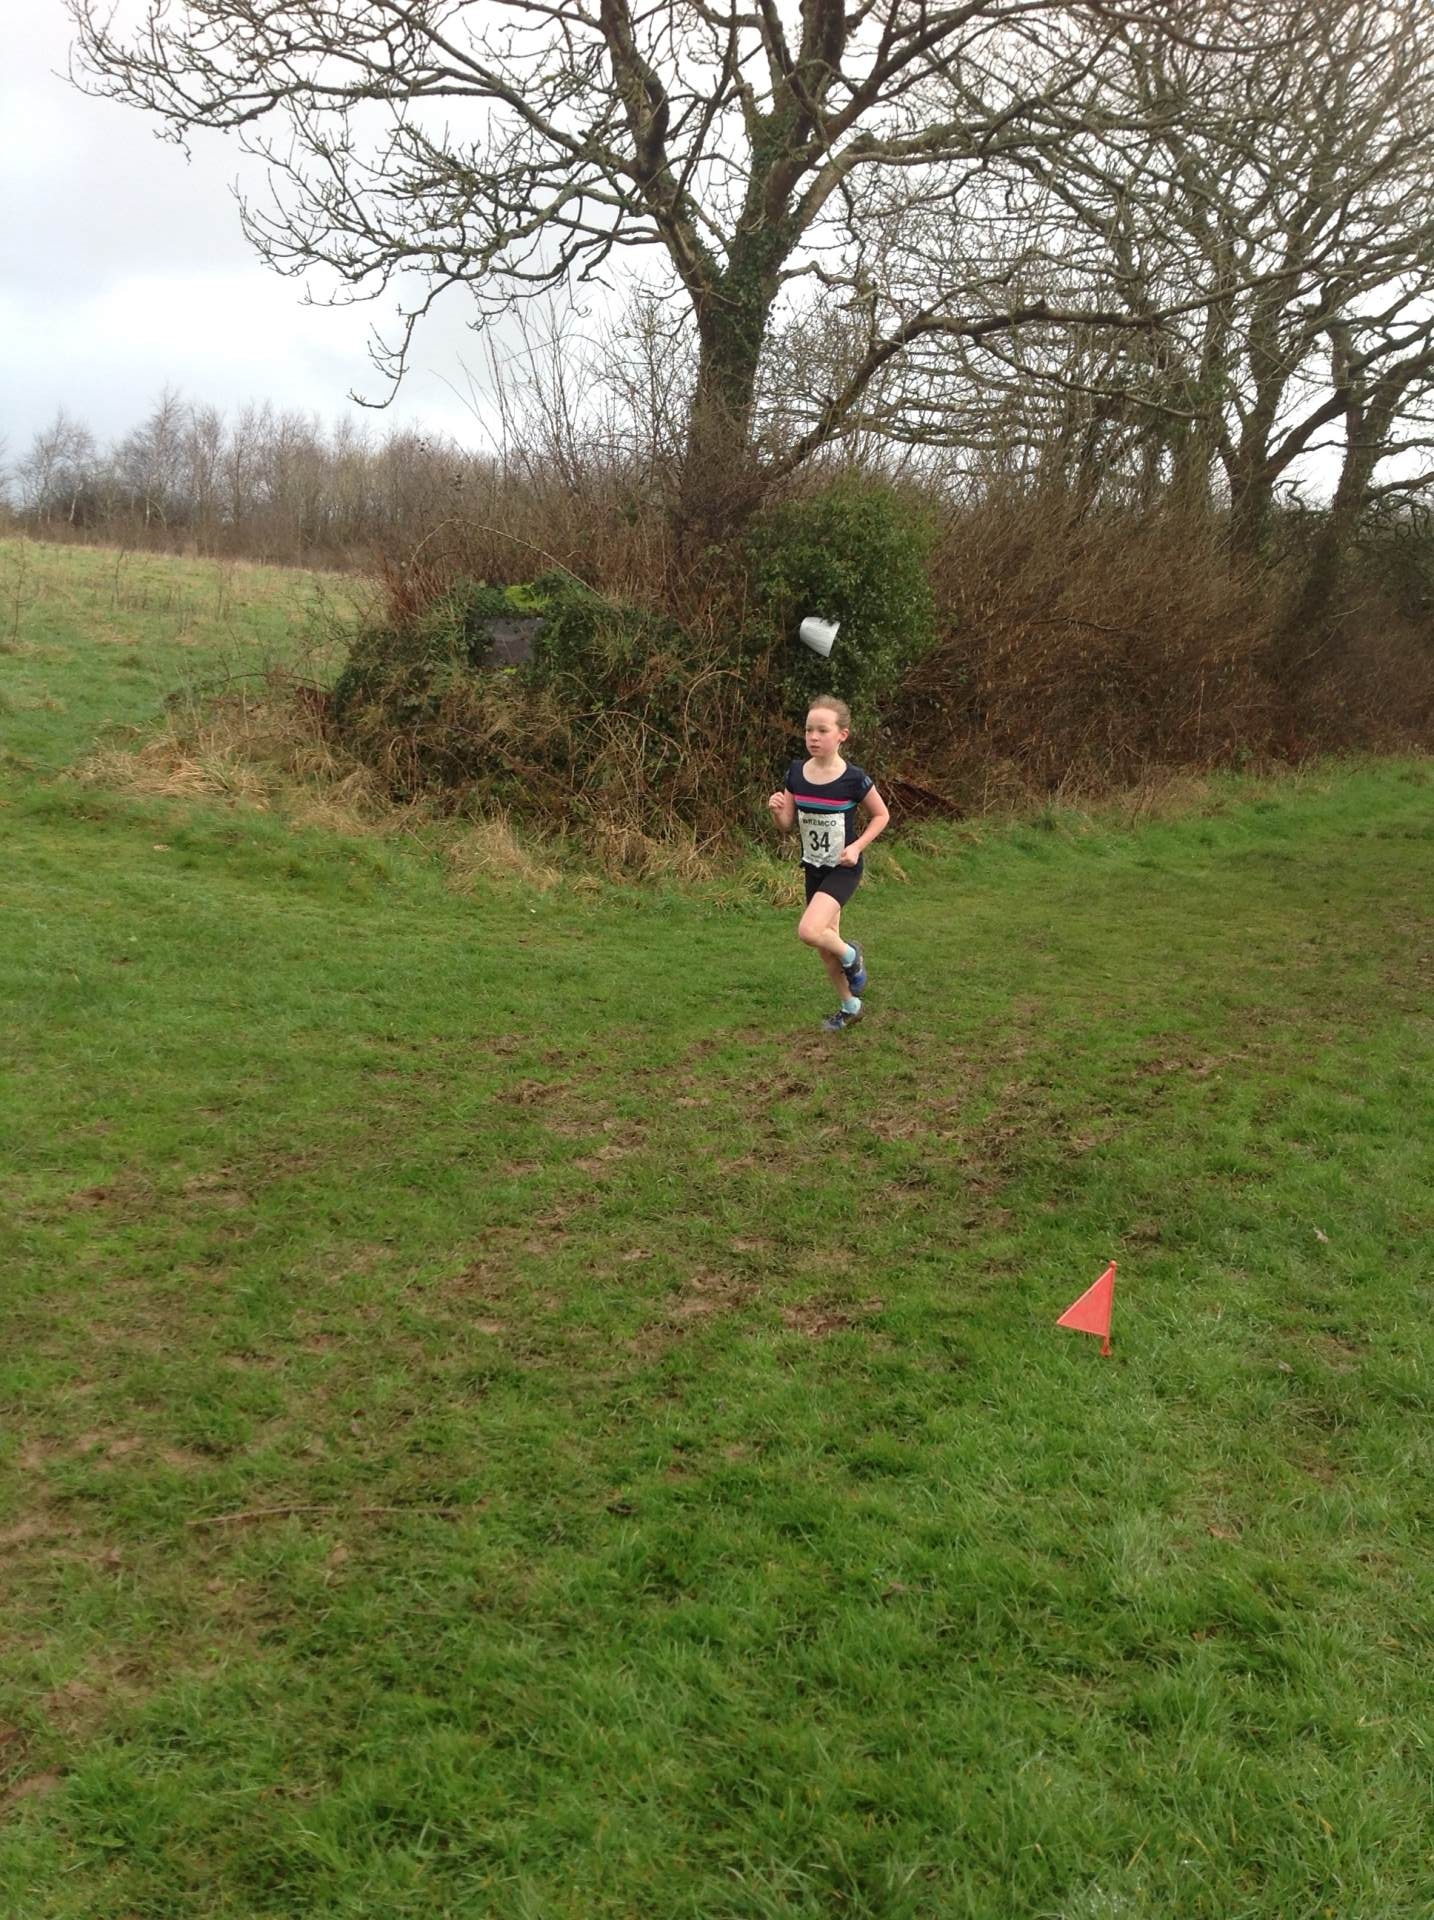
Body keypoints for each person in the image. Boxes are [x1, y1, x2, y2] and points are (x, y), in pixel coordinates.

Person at [768, 696, 891, 1030]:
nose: (813, 737)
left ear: (842, 735)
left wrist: (857, 847)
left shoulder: (853, 778)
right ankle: (851, 1006)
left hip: (843, 868)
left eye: (822, 730)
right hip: (813, 867)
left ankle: (852, 955)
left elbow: (881, 815)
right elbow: (785, 824)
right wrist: (776, 810)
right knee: (825, 946)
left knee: (809, 931)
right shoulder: (796, 774)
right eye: (809, 729)